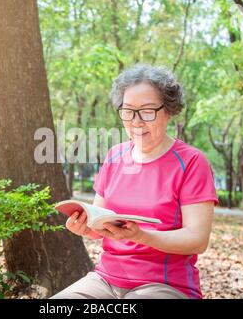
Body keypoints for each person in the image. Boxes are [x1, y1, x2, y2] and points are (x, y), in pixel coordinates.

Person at [51, 64, 218, 299]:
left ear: (168, 111)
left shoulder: (191, 162)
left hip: (166, 286)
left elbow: (197, 240)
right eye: (128, 111)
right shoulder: (115, 156)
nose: (136, 121)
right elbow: (100, 225)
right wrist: (85, 228)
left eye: (147, 111)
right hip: (106, 280)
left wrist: (141, 236)